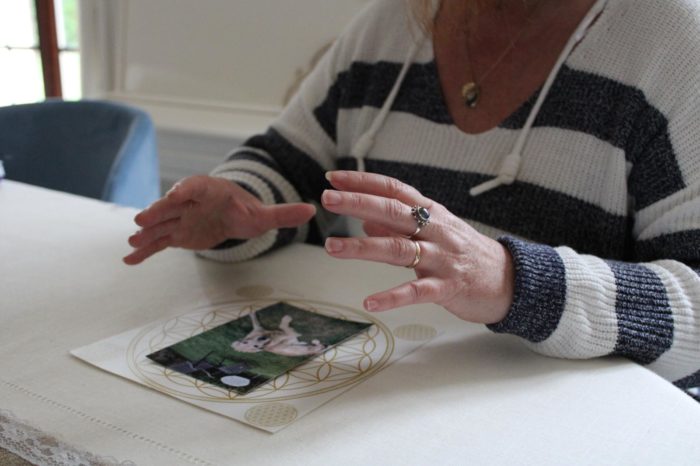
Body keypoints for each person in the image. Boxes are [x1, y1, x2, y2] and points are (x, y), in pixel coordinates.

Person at [123, 0, 700, 398]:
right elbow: (288, 165)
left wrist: (516, 282)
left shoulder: (676, 41)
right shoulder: (391, 23)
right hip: (375, 399)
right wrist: (238, 206)